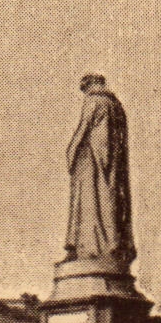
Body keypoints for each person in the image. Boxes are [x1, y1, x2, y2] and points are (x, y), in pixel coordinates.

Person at [63, 73, 135, 265]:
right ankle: (111, 244)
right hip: (113, 162)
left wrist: (70, 152)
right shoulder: (117, 106)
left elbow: (83, 128)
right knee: (109, 200)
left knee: (88, 203)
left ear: (89, 86)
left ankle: (87, 248)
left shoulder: (93, 101)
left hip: (90, 160)